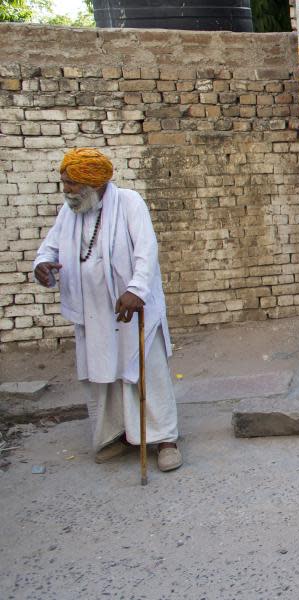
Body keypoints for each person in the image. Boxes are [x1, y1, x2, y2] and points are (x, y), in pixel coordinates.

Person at [33, 148, 182, 471]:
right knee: (102, 376)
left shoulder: (129, 203)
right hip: (94, 312)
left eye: (71, 184)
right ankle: (116, 434)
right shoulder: (69, 211)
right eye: (65, 183)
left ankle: (165, 439)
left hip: (131, 309)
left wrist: (135, 290)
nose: (67, 191)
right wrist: (42, 265)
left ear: (93, 183)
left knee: (147, 373)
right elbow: (50, 247)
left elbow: (147, 251)